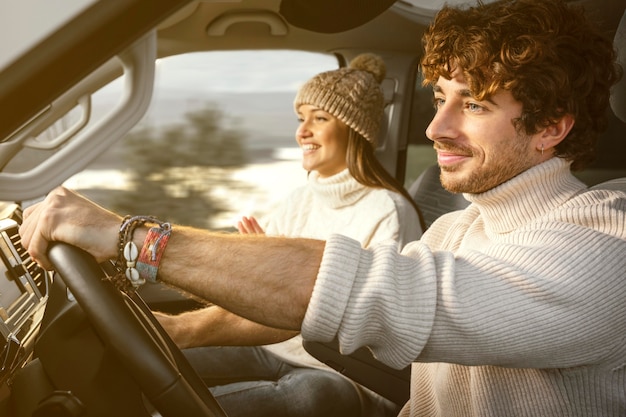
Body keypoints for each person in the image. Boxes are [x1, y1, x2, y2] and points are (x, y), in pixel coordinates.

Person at [18, 0, 626, 416]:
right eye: (440, 98)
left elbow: (365, 291)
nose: (436, 126)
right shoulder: (458, 230)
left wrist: (129, 237)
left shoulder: (606, 245)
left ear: (550, 126)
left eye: (475, 104)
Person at [173, 53, 423, 417]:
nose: (301, 131)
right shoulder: (299, 199)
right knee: (165, 359)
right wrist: (255, 267)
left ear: (355, 129)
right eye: (301, 118)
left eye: (319, 118)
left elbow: (382, 330)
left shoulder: (388, 211)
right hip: (272, 346)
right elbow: (264, 302)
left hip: (346, 373)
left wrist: (278, 277)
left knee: (309, 397)